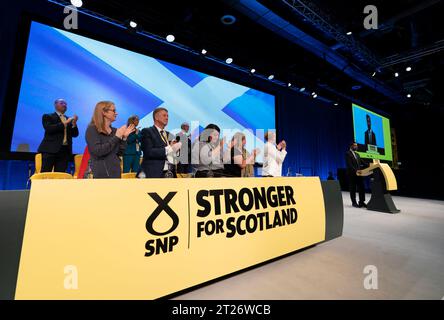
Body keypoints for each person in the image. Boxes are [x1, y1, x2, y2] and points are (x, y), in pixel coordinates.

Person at [85, 101, 134, 178]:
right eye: (113, 110)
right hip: (101, 175)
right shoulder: (92, 129)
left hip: (115, 172)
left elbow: (119, 153)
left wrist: (124, 138)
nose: (116, 113)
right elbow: (98, 151)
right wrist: (116, 137)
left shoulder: (114, 131)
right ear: (104, 112)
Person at [37, 98, 79, 172]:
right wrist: (65, 123)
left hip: (64, 151)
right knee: (45, 172)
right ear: (55, 105)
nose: (64, 105)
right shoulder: (48, 116)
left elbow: (75, 134)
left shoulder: (68, 119)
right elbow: (49, 129)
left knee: (60, 175)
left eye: (66, 104)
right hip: (50, 150)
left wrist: (74, 124)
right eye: (62, 103)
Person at [139, 107, 181, 178]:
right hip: (154, 174)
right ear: (156, 117)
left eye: (167, 116)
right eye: (164, 115)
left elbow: (173, 154)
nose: (167, 118)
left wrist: (176, 151)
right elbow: (148, 152)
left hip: (170, 173)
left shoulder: (169, 134)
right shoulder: (147, 131)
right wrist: (169, 148)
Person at [345, 142, 366, 208]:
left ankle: (361, 202)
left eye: (356, 146)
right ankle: (354, 202)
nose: (356, 147)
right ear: (351, 146)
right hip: (352, 174)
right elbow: (349, 165)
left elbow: (363, 163)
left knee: (361, 188)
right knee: (353, 188)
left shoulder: (357, 154)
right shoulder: (347, 154)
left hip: (359, 174)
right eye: (355, 146)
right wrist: (356, 171)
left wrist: (372, 165)